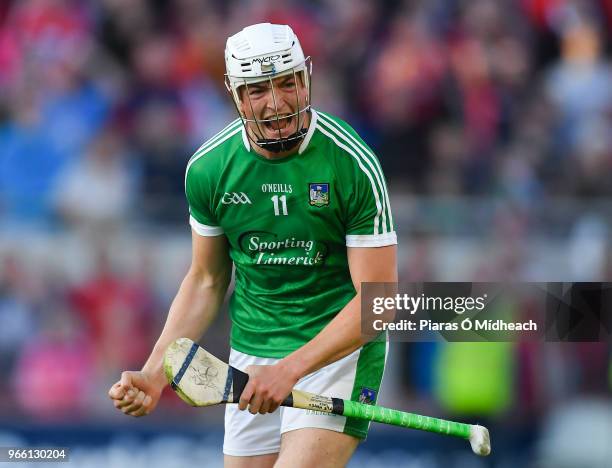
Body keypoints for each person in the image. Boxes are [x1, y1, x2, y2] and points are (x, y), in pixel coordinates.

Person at [108, 23, 397, 467]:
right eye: (258, 90)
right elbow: (206, 281)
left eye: (287, 83)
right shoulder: (208, 169)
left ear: (307, 78)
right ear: (235, 94)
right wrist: (153, 373)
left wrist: (290, 369)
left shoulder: (352, 164)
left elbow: (378, 304)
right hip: (252, 356)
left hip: (335, 351)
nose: (277, 102)